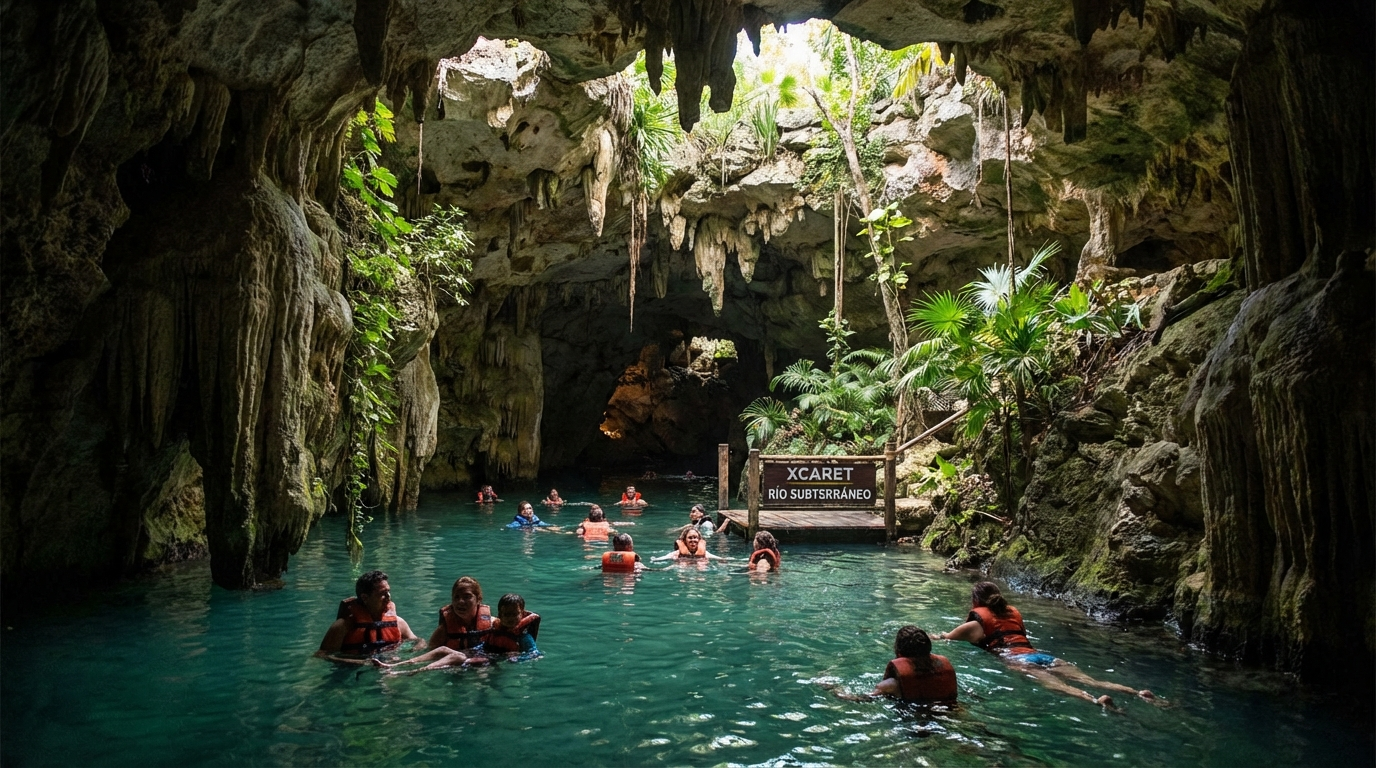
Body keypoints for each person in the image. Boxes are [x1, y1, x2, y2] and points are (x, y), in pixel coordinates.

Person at [938, 581, 1158, 707]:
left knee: (1060, 686)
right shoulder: (1012, 612)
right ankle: (1136, 692)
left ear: (976, 602)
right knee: (1090, 679)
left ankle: (1094, 701)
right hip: (1040, 655)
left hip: (1018, 660)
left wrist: (937, 636)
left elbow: (946, 637)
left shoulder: (975, 624)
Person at [382, 594, 542, 672]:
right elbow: (485, 645)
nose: (510, 618)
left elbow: (535, 655)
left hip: (493, 661)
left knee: (456, 656)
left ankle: (415, 671)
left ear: (522, 614)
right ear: (499, 615)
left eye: (515, 614)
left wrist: (515, 658)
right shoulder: (495, 629)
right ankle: (398, 664)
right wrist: (472, 650)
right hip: (483, 654)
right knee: (444, 650)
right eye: (506, 614)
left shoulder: (523, 637)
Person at [317, 570, 420, 663]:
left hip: (389, 668)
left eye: (388, 591)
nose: (388, 596)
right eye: (383, 593)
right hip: (353, 673)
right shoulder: (343, 626)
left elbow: (419, 641)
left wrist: (412, 653)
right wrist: (358, 662)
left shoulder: (398, 622)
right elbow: (321, 655)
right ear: (365, 597)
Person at [873, 626, 957, 703]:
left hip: (916, 716)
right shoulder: (943, 672)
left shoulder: (891, 685)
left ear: (899, 652)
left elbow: (866, 698)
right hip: (950, 711)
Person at [426, 576, 492, 651]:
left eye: (467, 597)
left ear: (479, 599)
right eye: (456, 597)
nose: (460, 601)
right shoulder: (444, 629)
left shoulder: (492, 624)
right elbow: (431, 650)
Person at [652, 527, 727, 562]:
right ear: (684, 540)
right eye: (690, 538)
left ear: (699, 539)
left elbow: (720, 559)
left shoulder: (705, 553)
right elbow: (663, 558)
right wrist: (655, 559)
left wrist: (724, 560)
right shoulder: (676, 554)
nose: (693, 540)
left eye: (695, 537)